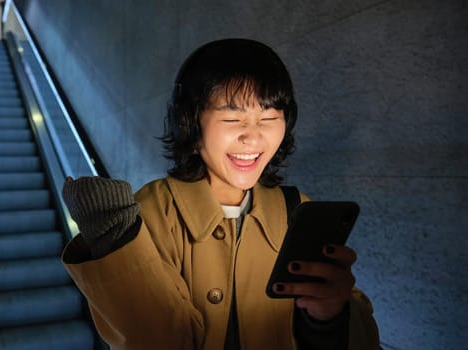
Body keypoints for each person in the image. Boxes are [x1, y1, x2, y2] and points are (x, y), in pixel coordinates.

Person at [61, 38, 380, 349]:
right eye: (232, 118)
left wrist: (330, 316)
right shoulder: (149, 214)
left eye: (269, 118)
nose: (253, 137)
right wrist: (115, 243)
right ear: (190, 122)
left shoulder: (296, 211)